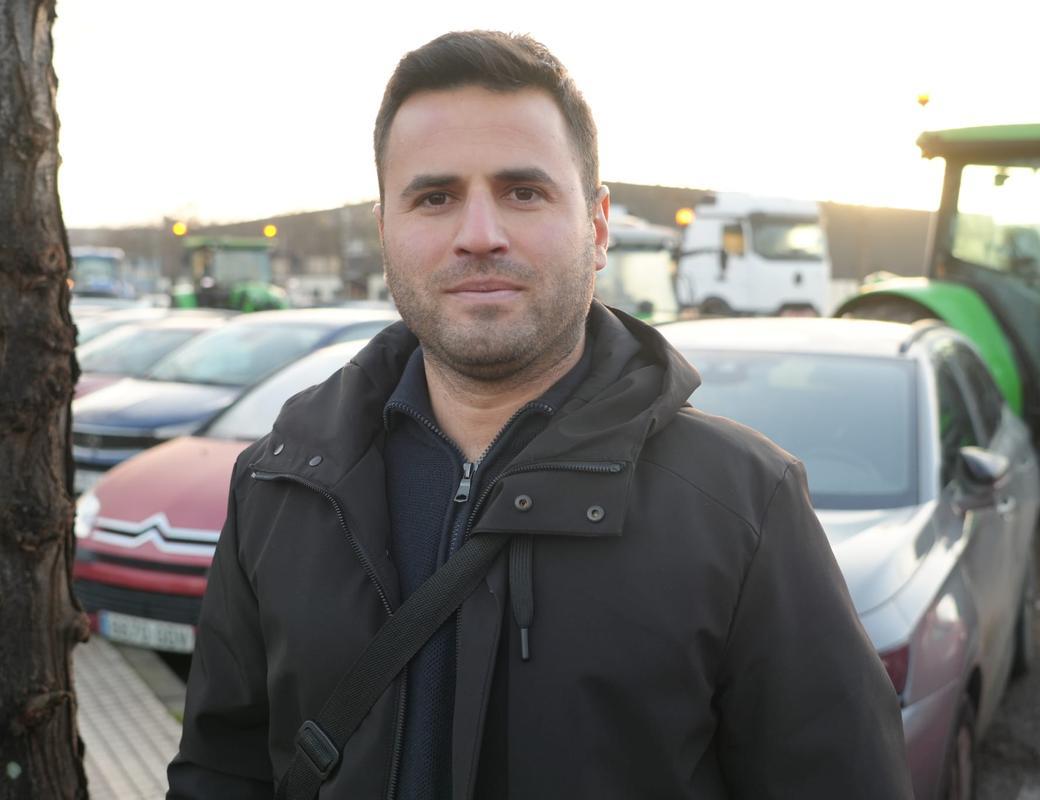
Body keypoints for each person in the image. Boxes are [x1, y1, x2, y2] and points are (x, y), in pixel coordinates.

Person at [167, 30, 912, 799]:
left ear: (596, 226)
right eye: (435, 197)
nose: (479, 235)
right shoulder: (282, 484)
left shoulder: (744, 507)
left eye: (524, 192)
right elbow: (223, 771)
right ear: (386, 230)